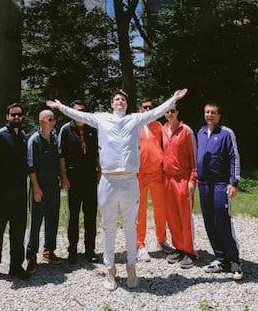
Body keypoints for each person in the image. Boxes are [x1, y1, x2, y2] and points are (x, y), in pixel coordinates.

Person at [47, 87, 188, 291]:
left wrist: (173, 98)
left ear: (127, 103)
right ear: (112, 103)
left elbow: (156, 111)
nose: (120, 101)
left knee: (130, 226)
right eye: (117, 99)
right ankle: (110, 269)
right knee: (108, 227)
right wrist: (60, 107)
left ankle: (131, 267)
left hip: (130, 180)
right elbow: (80, 115)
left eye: (123, 99)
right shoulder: (101, 118)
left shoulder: (135, 119)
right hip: (108, 181)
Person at [197, 102, 243, 281]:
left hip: (220, 185)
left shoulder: (226, 133)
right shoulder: (200, 132)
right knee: (209, 222)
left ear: (219, 116)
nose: (209, 115)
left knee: (222, 221)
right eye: (207, 112)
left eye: (213, 113)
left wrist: (234, 182)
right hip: (204, 185)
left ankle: (235, 261)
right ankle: (220, 258)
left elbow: (234, 157)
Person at [0, 103, 29, 284]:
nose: (16, 117)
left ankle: (16, 266)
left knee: (18, 231)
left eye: (19, 115)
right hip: (2, 193)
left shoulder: (23, 136)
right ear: (7, 116)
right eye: (13, 115)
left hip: (20, 193)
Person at [58, 100, 100, 264]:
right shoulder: (66, 130)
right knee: (73, 215)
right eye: (75, 111)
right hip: (73, 177)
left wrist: (100, 171)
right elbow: (61, 155)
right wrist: (63, 176)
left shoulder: (92, 129)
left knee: (90, 215)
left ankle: (90, 250)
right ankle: (73, 250)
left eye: (82, 110)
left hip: (90, 177)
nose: (79, 113)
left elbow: (97, 152)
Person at [26, 109, 65, 274]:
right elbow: (31, 166)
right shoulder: (34, 140)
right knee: (36, 221)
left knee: (53, 218)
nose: (52, 122)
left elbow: (60, 159)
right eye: (49, 119)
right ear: (41, 121)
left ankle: (49, 250)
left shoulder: (55, 138)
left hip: (53, 186)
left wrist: (63, 178)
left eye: (53, 119)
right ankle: (31, 256)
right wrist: (35, 188)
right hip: (39, 186)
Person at [136, 99, 172, 262]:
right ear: (140, 109)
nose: (148, 109)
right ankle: (140, 245)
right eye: (145, 107)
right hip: (139, 174)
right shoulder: (134, 125)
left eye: (151, 107)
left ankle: (161, 240)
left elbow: (167, 146)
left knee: (161, 208)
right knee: (140, 211)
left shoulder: (159, 126)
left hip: (157, 173)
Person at [162, 104, 197, 269]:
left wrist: (192, 180)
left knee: (184, 216)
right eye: (167, 111)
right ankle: (179, 248)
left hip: (183, 179)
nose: (170, 113)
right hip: (167, 180)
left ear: (178, 112)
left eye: (173, 111)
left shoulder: (186, 131)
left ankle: (190, 252)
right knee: (172, 217)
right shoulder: (163, 129)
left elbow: (194, 158)